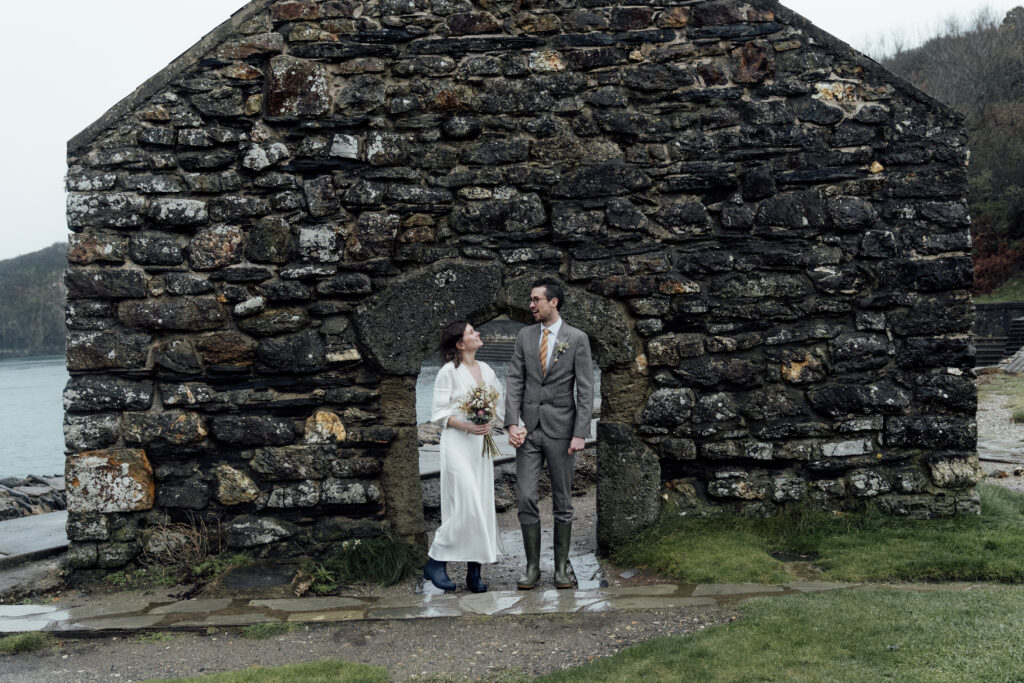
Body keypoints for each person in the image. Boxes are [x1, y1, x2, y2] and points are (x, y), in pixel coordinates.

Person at [504, 277, 594, 590]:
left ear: (553, 301)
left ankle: (560, 569)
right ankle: (532, 568)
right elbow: (515, 380)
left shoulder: (577, 338)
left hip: (562, 431)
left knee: (563, 501)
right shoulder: (525, 336)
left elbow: (585, 388)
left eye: (535, 300)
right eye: (531, 300)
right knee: (526, 496)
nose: (531, 305)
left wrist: (581, 432)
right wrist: (511, 423)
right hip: (528, 431)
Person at [422, 320, 505, 593]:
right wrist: (468, 425)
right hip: (457, 443)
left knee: (480, 504)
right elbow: (440, 413)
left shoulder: (488, 370)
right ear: (459, 343)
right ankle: (436, 560)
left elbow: (498, 405)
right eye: (471, 332)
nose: (477, 334)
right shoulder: (448, 372)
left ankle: (474, 572)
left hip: (480, 445)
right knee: (465, 502)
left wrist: (503, 423)